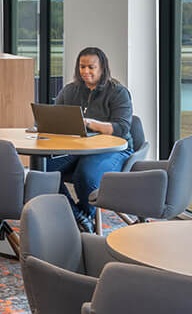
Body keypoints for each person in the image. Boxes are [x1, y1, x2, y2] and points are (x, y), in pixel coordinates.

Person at [48, 46, 136, 232]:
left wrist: (87, 122)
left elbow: (121, 129)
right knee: (42, 171)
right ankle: (79, 216)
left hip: (113, 149)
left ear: (102, 68)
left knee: (85, 175)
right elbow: (56, 118)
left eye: (91, 67)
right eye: (82, 67)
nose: (85, 71)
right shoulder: (70, 91)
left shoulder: (118, 92)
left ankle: (85, 215)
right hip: (77, 147)